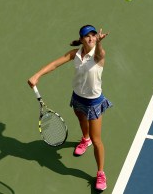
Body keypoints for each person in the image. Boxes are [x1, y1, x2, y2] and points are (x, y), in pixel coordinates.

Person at [27, 25, 112, 191]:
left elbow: (100, 52)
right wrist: (37, 75)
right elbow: (54, 64)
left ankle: (101, 173)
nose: (91, 38)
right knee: (81, 121)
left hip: (94, 102)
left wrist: (100, 43)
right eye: (87, 36)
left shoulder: (98, 55)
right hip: (78, 97)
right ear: (81, 39)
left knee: (97, 141)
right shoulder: (75, 54)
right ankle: (84, 139)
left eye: (94, 35)